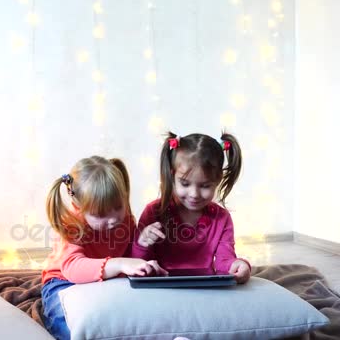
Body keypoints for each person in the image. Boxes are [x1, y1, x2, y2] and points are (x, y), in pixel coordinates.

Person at [41, 156, 167, 340]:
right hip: (62, 282)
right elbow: (73, 268)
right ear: (79, 206)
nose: (114, 218)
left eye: (118, 207)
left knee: (131, 318)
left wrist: (141, 246)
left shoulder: (125, 221)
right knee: (75, 324)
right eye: (100, 214)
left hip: (104, 282)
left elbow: (129, 257)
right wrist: (120, 264)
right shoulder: (73, 225)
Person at [132, 132, 251, 284]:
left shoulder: (222, 219)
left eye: (205, 186)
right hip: (161, 289)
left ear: (218, 180)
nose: (194, 194)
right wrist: (142, 243)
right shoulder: (154, 212)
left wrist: (238, 265)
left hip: (205, 289)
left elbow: (224, 262)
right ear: (172, 175)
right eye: (185, 184)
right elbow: (137, 265)